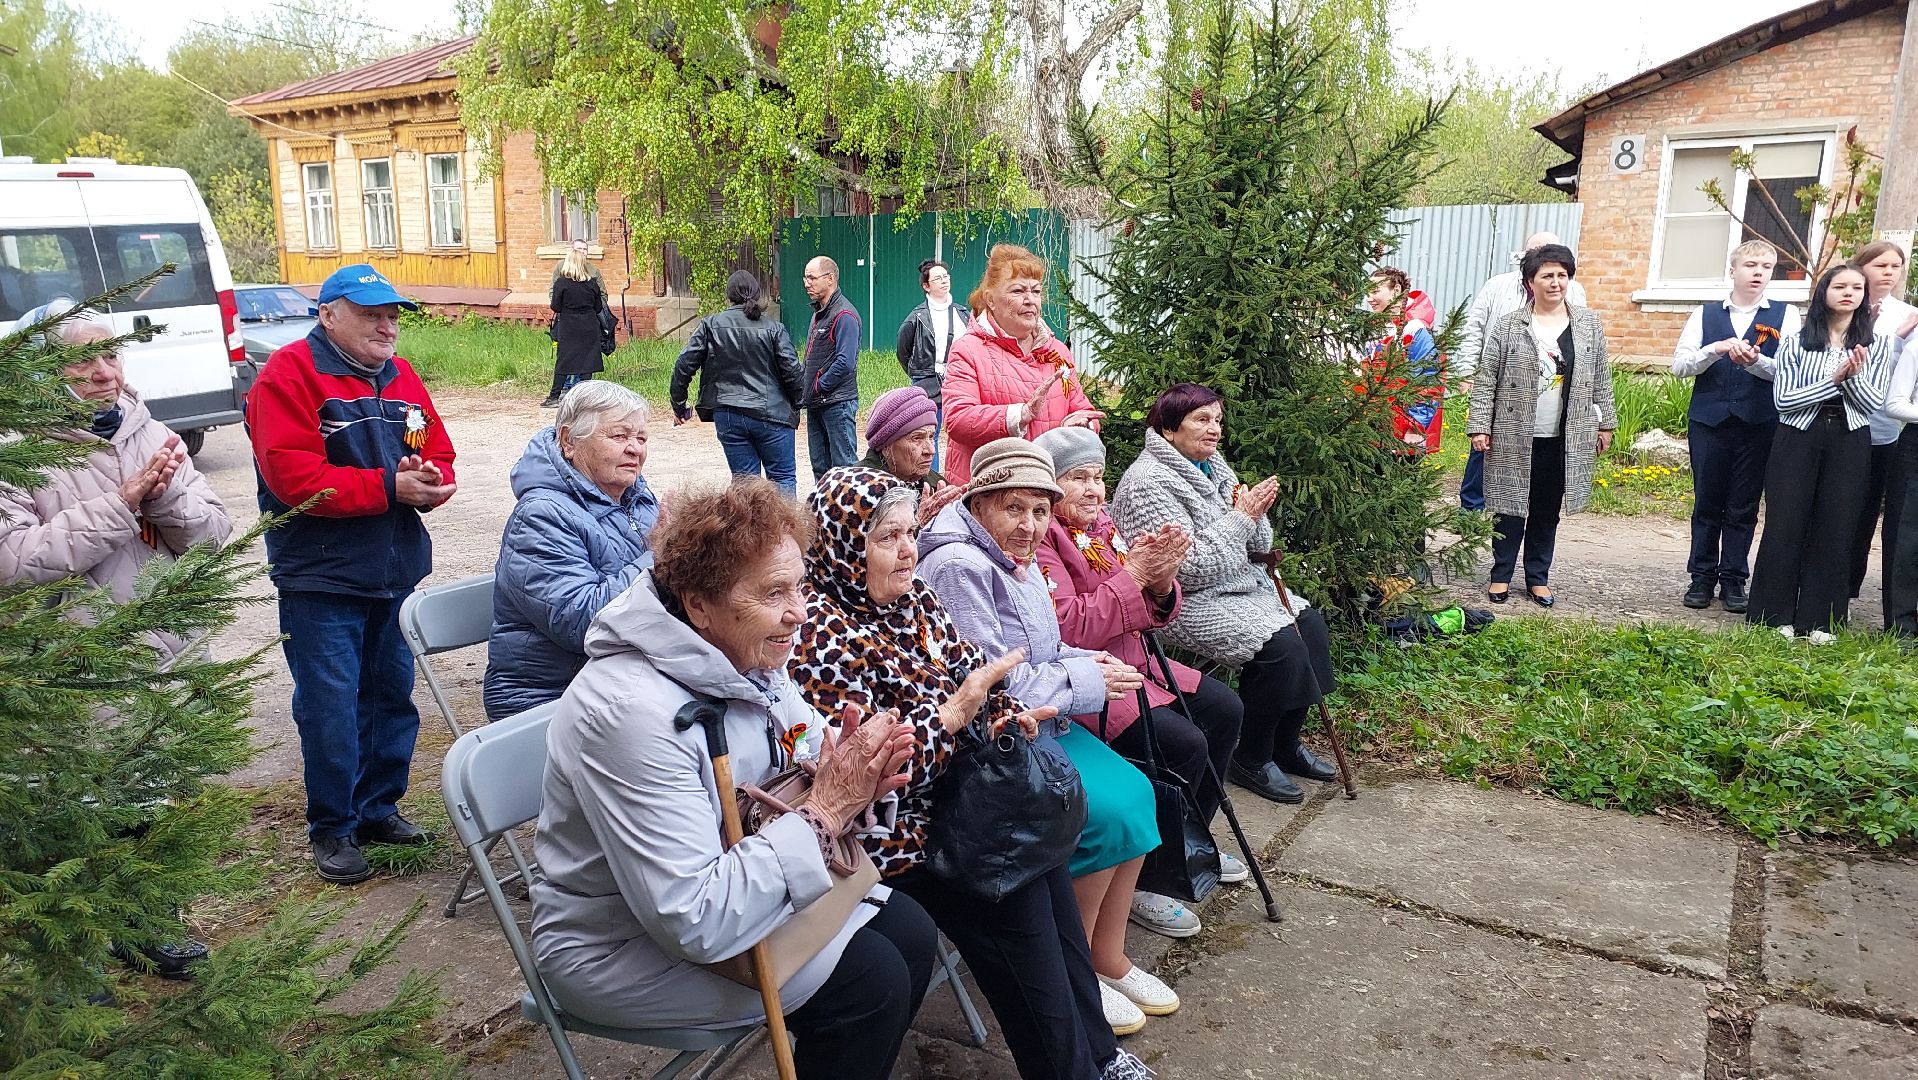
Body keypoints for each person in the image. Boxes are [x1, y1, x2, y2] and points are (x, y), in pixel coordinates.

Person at [531, 479, 937, 1080]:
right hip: (619, 944)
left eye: (799, 585)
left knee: (911, 931)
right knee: (869, 984)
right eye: (775, 592)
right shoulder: (628, 713)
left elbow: (801, 743)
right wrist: (824, 813)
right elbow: (693, 917)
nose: (800, 612)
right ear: (697, 604)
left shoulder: (744, 653)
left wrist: (857, 772)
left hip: (742, 877)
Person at [791, 467, 1156, 1078]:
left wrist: (1009, 715)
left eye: (911, 533)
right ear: (844, 544)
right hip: (902, 834)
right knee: (1020, 911)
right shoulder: (821, 637)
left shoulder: (913, 601)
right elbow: (869, 773)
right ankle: (1070, 1068)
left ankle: (1095, 1052)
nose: (909, 552)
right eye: (887, 538)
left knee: (1050, 886)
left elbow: (978, 675)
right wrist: (956, 718)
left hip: (970, 799)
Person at [917, 438, 1184, 1041]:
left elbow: (1045, 644)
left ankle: (1106, 954)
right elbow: (991, 679)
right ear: (981, 501)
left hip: (1046, 716)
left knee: (1138, 794)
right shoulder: (959, 565)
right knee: (1099, 810)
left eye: (1041, 511)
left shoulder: (1019, 558)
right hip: (996, 737)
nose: (1030, 526)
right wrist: (1088, 677)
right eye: (1014, 508)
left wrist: (1089, 661)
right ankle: (1075, 968)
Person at [1, 299, 233, 979]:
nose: (104, 372)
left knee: (151, 800)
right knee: (73, 813)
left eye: (112, 354)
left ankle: (148, 927)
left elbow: (214, 537)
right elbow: (12, 564)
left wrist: (167, 502)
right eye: (84, 357)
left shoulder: (148, 428)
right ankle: (75, 968)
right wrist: (121, 504)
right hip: (70, 667)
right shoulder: (17, 448)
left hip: (162, 652)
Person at [247, 263, 457, 885]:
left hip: (394, 572)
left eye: (392, 315)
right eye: (372, 315)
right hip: (321, 578)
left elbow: (433, 447)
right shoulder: (287, 377)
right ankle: (332, 827)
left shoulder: (400, 378)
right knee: (330, 706)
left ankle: (377, 809)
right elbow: (294, 482)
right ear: (329, 314)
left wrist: (432, 481)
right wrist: (389, 486)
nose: (387, 326)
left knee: (391, 697)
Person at [1032, 426, 1253, 915]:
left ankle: (1187, 837)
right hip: (1096, 673)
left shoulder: (1099, 527)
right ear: (1051, 487)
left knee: (1225, 710)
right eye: (1078, 479)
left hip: (1140, 659)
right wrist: (1135, 577)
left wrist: (1162, 579)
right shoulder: (1043, 539)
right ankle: (1150, 880)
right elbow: (1070, 627)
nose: (1093, 489)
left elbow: (1155, 613)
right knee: (1183, 745)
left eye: (1098, 477)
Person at [1109, 385, 1337, 806]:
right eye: (1202, 420)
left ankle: (1284, 744)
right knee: (1281, 649)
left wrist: (1255, 516)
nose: (1215, 430)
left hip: (1241, 587)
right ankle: (1250, 757)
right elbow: (1187, 570)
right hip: (1180, 601)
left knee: (1311, 628)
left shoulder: (1213, 465)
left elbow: (1255, 546)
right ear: (1168, 426)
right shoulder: (1146, 483)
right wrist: (1241, 516)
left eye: (1217, 420)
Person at [485, 382, 659, 719]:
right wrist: (663, 552)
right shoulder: (540, 516)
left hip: (621, 679)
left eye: (641, 438)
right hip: (551, 694)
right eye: (620, 436)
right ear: (569, 441)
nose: (635, 449)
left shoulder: (635, 496)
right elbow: (584, 621)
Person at [1747, 264, 1895, 640]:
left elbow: (1872, 404)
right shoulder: (1797, 341)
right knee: (1785, 521)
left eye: (1857, 287)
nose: (1849, 293)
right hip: (1798, 436)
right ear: (1823, 292)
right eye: (1840, 286)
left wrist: (1852, 380)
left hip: (1850, 437)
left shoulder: (1875, 344)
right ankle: (1771, 614)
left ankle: (1820, 619)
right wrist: (1835, 380)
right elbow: (1785, 400)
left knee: (1838, 523)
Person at [1466, 243, 1617, 607]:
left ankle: (1537, 577)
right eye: (1546, 276)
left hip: (1562, 436)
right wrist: (1479, 425)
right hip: (1513, 433)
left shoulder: (1588, 324)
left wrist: (1605, 423)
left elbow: (1601, 376)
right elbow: (1488, 379)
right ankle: (1501, 575)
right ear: (1529, 282)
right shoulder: (1509, 325)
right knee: (1509, 505)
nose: (1555, 283)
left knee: (1547, 508)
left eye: (1562, 275)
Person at [1670, 239, 1800, 614]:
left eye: (1765, 267)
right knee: (1707, 502)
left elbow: (1791, 372)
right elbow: (1680, 366)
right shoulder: (1705, 314)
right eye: (1751, 265)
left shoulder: (1787, 316)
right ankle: (1701, 577)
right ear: (1733, 270)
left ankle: (1734, 580)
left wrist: (1755, 363)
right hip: (1709, 422)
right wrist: (1715, 350)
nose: (1758, 273)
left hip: (1758, 423)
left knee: (1743, 506)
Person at [941, 244, 1102, 484]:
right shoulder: (968, 350)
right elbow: (958, 420)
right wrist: (1019, 414)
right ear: (991, 300)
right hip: (989, 492)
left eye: (1035, 292)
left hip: (1045, 489)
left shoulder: (1058, 353)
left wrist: (1083, 424)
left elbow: (1082, 408)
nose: (1030, 300)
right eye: (1018, 291)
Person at [1456, 232, 1590, 512]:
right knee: (1485, 452)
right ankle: (1472, 510)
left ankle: (1524, 510)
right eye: (1539, 255)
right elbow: (1474, 330)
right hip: (1503, 387)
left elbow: (1582, 342)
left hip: (1548, 393)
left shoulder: (1573, 291)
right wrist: (1467, 374)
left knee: (1539, 468)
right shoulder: (1498, 287)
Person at [670, 270, 804, 494]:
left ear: (728, 296)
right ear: (757, 293)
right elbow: (792, 371)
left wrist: (679, 404)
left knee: (745, 487)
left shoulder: (711, 325)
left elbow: (684, 364)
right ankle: (785, 530)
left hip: (728, 413)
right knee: (782, 479)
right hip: (772, 414)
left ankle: (747, 530)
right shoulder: (774, 328)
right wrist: (797, 403)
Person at [1846, 241, 1918, 611]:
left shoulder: (1908, 315)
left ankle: (1849, 586)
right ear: (1862, 268)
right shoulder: (1842, 301)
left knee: (1865, 508)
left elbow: (1902, 374)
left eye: (1896, 266)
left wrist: (1899, 339)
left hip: (1881, 427)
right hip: (1840, 419)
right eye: (1881, 265)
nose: (1889, 273)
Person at [894, 258, 973, 472]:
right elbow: (903, 351)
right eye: (937, 278)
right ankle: (931, 480)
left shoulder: (964, 314)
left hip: (960, 381)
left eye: (946, 276)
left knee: (964, 434)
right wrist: (921, 373)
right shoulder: (916, 318)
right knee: (929, 436)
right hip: (927, 383)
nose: (944, 281)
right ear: (926, 286)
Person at [1360, 266, 1444, 455]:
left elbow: (1428, 379)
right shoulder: (1379, 328)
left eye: (1375, 291)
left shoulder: (1415, 329)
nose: (1369, 299)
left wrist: (1415, 427)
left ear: (1396, 290)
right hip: (1377, 427)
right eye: (1367, 292)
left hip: (1405, 431)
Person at [860, 385, 965, 527]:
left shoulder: (937, 486)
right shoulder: (860, 491)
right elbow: (875, 545)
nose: (930, 450)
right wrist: (920, 523)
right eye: (917, 438)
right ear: (886, 446)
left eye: (931, 436)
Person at [800, 256, 862, 481]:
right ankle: (823, 515)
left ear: (830, 279)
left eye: (812, 278)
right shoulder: (819, 313)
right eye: (805, 278)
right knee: (820, 469)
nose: (807, 283)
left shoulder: (844, 315)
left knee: (844, 468)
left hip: (837, 403)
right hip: (816, 403)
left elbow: (846, 362)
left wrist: (818, 386)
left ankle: (849, 515)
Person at [544, 240, 609, 408]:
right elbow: (598, 306)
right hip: (589, 325)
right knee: (588, 362)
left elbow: (555, 306)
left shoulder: (561, 284)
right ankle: (584, 398)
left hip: (569, 327)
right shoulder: (591, 284)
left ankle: (553, 397)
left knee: (564, 361)